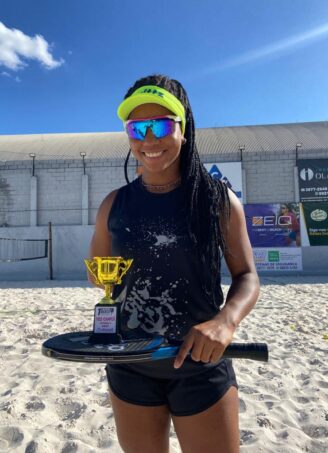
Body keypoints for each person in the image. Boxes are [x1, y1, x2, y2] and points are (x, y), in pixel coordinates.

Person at [88, 74, 260, 453]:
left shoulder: (217, 200)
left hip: (199, 364)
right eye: (138, 127)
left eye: (162, 125)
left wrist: (225, 321)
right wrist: (104, 284)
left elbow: (247, 276)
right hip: (129, 364)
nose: (149, 139)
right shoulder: (113, 205)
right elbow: (98, 273)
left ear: (185, 128)